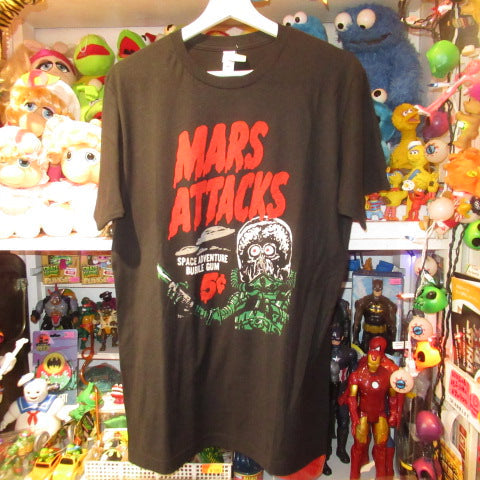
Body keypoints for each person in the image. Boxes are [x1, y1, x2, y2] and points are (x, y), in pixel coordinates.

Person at [345, 349, 402, 480]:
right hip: (363, 414)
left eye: (376, 364)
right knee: (359, 446)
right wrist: (354, 417)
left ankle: (381, 476)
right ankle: (354, 476)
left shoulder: (387, 375)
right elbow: (352, 398)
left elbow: (393, 397)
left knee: (381, 447)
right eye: (371, 364)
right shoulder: (357, 375)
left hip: (380, 413)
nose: (373, 367)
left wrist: (393, 413)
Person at [323, 322, 358, 476]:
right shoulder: (323, 351)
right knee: (326, 425)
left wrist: (349, 393)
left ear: (342, 338)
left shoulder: (349, 353)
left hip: (342, 390)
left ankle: (341, 449)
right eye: (332, 339)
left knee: (343, 421)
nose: (335, 342)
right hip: (327, 391)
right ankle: (325, 456)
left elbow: (354, 375)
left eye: (337, 339)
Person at [352, 279, 397, 354]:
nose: (377, 291)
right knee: (365, 354)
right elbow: (357, 322)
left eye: (379, 288)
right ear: (372, 288)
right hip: (367, 334)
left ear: (382, 288)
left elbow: (392, 325)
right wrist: (355, 338)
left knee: (382, 355)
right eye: (375, 288)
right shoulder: (363, 302)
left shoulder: (388, 304)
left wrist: (392, 342)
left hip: (382, 334)